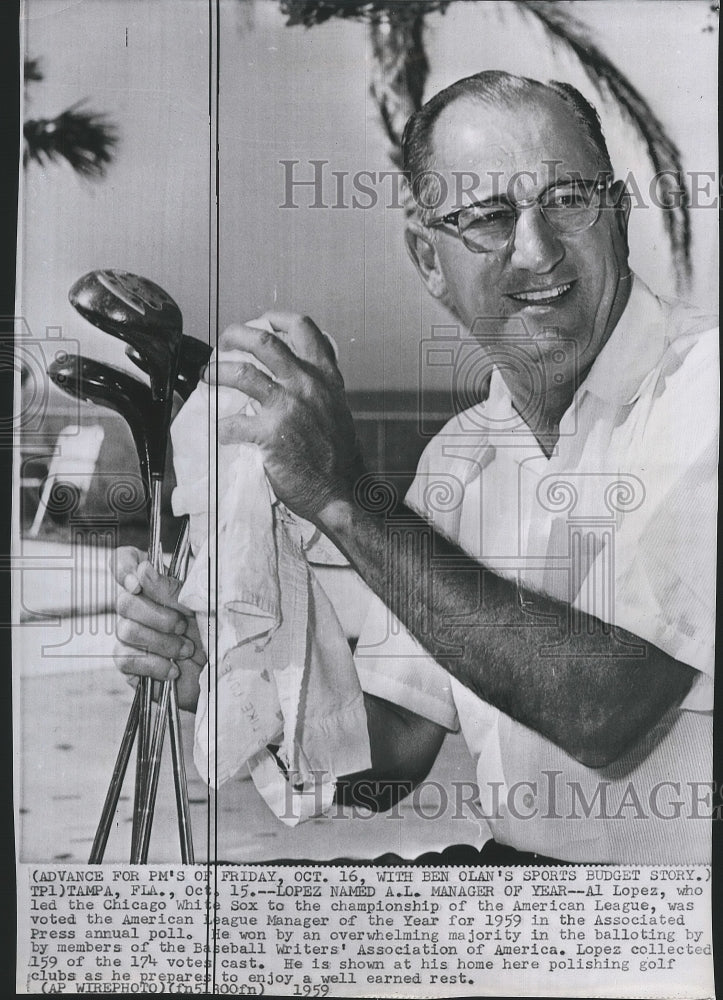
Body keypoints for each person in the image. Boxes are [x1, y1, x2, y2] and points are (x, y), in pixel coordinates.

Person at [112, 71, 717, 864]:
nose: (535, 251)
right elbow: (387, 758)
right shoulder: (460, 456)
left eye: (568, 198)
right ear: (428, 261)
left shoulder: (703, 388)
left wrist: (344, 499)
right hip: (527, 892)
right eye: (487, 218)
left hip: (682, 927)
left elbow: (606, 709)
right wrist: (214, 676)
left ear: (620, 214)